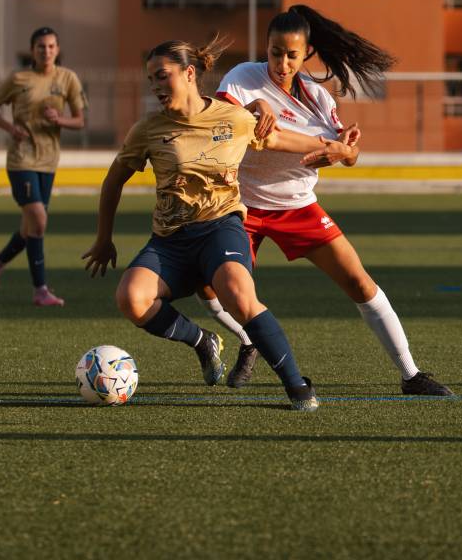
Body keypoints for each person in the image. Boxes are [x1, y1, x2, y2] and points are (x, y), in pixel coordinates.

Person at [82, 35, 355, 412]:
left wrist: (332, 147)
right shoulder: (147, 130)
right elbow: (113, 181)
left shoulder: (234, 118)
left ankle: (297, 385)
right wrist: (103, 239)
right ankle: (201, 341)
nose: (156, 87)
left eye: (163, 76)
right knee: (131, 299)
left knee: (239, 296)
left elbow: (278, 139)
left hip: (220, 229)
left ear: (189, 73)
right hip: (170, 242)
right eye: (151, 80)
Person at [202, 5, 454, 396]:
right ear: (264, 49)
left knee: (359, 281)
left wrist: (344, 151)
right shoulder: (243, 78)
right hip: (241, 206)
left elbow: (348, 154)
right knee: (218, 291)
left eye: (291, 55)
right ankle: (250, 341)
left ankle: (411, 375)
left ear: (307, 55)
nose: (281, 63)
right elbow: (246, 128)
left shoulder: (319, 97)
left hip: (298, 206)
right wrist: (258, 106)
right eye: (274, 52)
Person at [0, 27, 86, 306]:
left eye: (51, 46)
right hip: (22, 159)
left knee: (31, 228)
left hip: (48, 161)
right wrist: (10, 127)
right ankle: (40, 290)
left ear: (57, 49)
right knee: (39, 221)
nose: (46, 51)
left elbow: (80, 120)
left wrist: (60, 120)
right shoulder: (19, 79)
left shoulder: (68, 79)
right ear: (32, 50)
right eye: (41, 46)